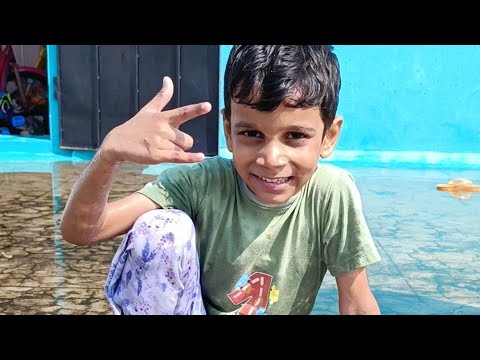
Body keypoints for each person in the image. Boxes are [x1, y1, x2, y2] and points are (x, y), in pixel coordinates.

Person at [60, 45, 381, 315]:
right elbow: (83, 230)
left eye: (295, 136)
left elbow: (355, 302)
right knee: (159, 231)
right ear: (229, 130)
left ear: (329, 137)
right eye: (251, 133)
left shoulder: (330, 194)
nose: (271, 159)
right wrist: (109, 154)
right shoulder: (203, 184)